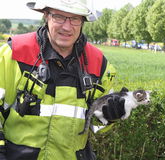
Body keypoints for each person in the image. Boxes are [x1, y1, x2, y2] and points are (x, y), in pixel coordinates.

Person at [0, 0, 127, 159]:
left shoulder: (99, 65)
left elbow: (95, 125)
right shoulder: (14, 54)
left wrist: (110, 116)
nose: (67, 27)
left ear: (83, 21)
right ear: (46, 15)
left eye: (75, 19)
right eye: (59, 16)